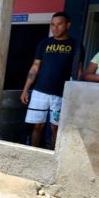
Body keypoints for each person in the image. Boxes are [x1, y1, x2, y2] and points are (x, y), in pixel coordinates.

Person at [20, 12, 81, 149]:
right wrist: (25, 89)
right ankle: (33, 152)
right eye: (53, 24)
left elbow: (79, 71)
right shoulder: (44, 43)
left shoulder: (76, 45)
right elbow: (35, 67)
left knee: (56, 127)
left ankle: (53, 155)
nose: (55, 28)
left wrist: (76, 94)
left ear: (68, 25)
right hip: (40, 91)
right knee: (37, 126)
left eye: (59, 24)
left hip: (61, 94)